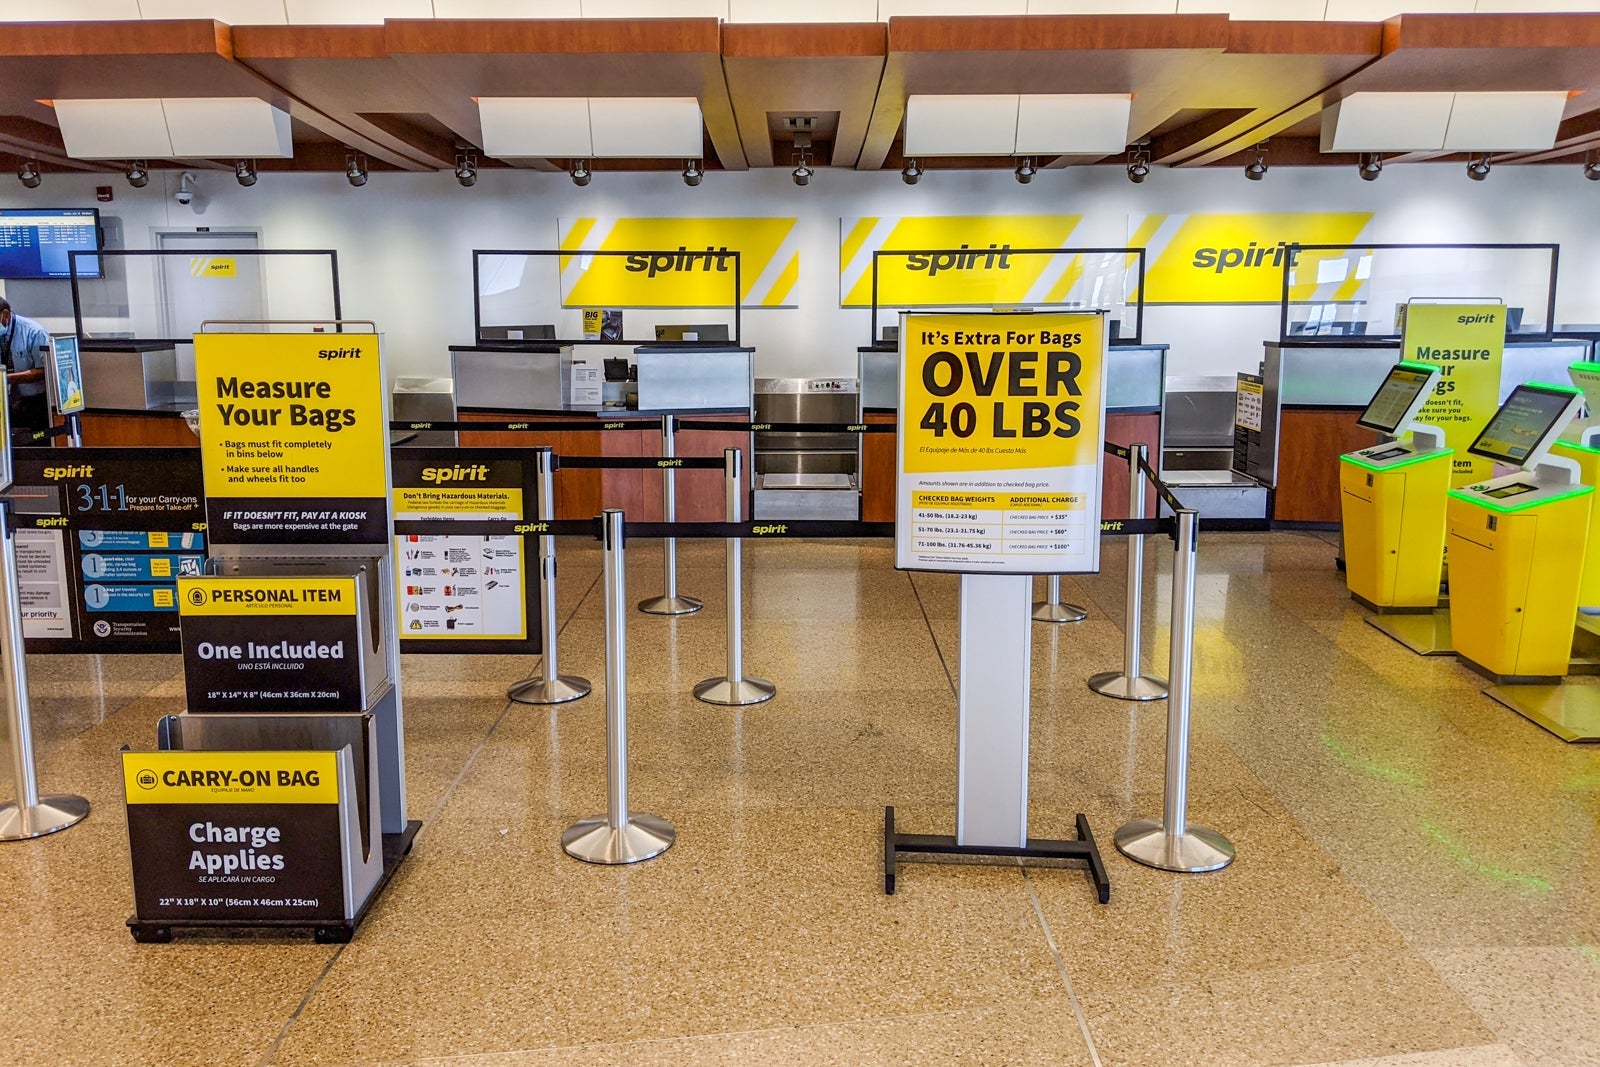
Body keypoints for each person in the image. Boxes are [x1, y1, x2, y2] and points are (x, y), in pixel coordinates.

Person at [0, 297, 50, 434]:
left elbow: (44, 371)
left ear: (5, 314)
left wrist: (6, 379)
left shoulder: (35, 332)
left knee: (36, 442)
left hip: (34, 402)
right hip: (5, 402)